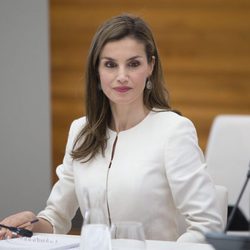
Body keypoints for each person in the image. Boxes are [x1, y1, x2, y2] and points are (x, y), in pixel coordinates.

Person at [0, 13, 223, 242]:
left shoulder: (174, 130)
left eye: (134, 64)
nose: (122, 76)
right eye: (110, 65)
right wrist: (31, 223)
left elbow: (207, 225)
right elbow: (56, 218)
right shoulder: (80, 131)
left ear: (150, 67)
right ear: (97, 71)